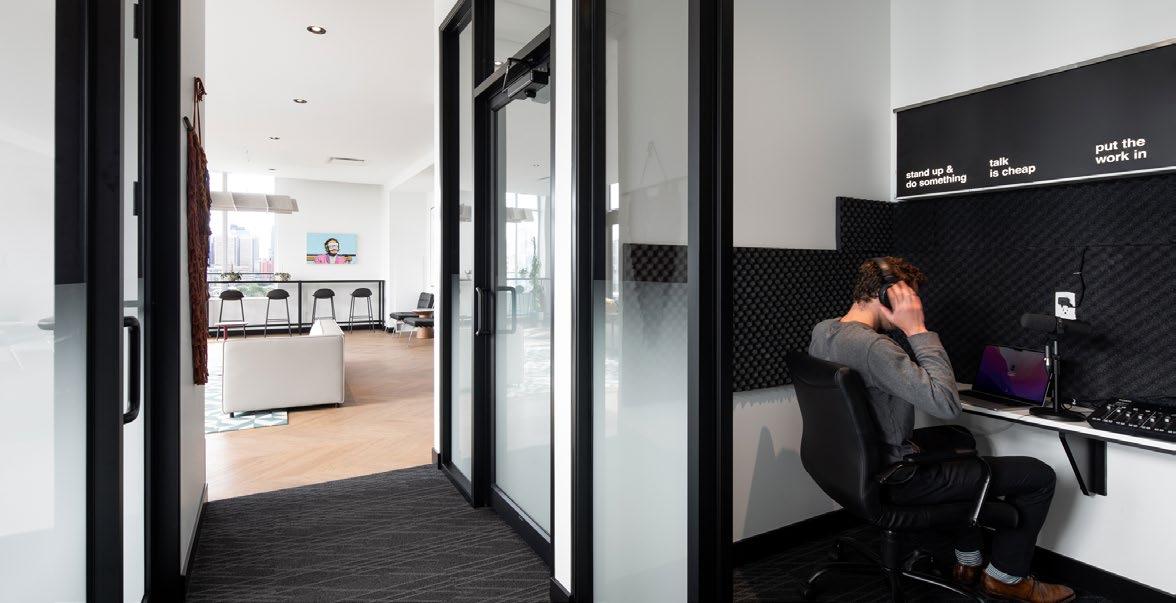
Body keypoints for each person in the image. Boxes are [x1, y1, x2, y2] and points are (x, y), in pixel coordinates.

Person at [807, 256, 1075, 603]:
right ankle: (1006, 579)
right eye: (909, 299)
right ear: (887, 296)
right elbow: (946, 403)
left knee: (960, 440)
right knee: (1038, 476)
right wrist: (917, 330)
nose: (914, 308)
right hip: (898, 478)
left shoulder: (825, 330)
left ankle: (968, 560)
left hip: (849, 467)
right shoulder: (874, 347)